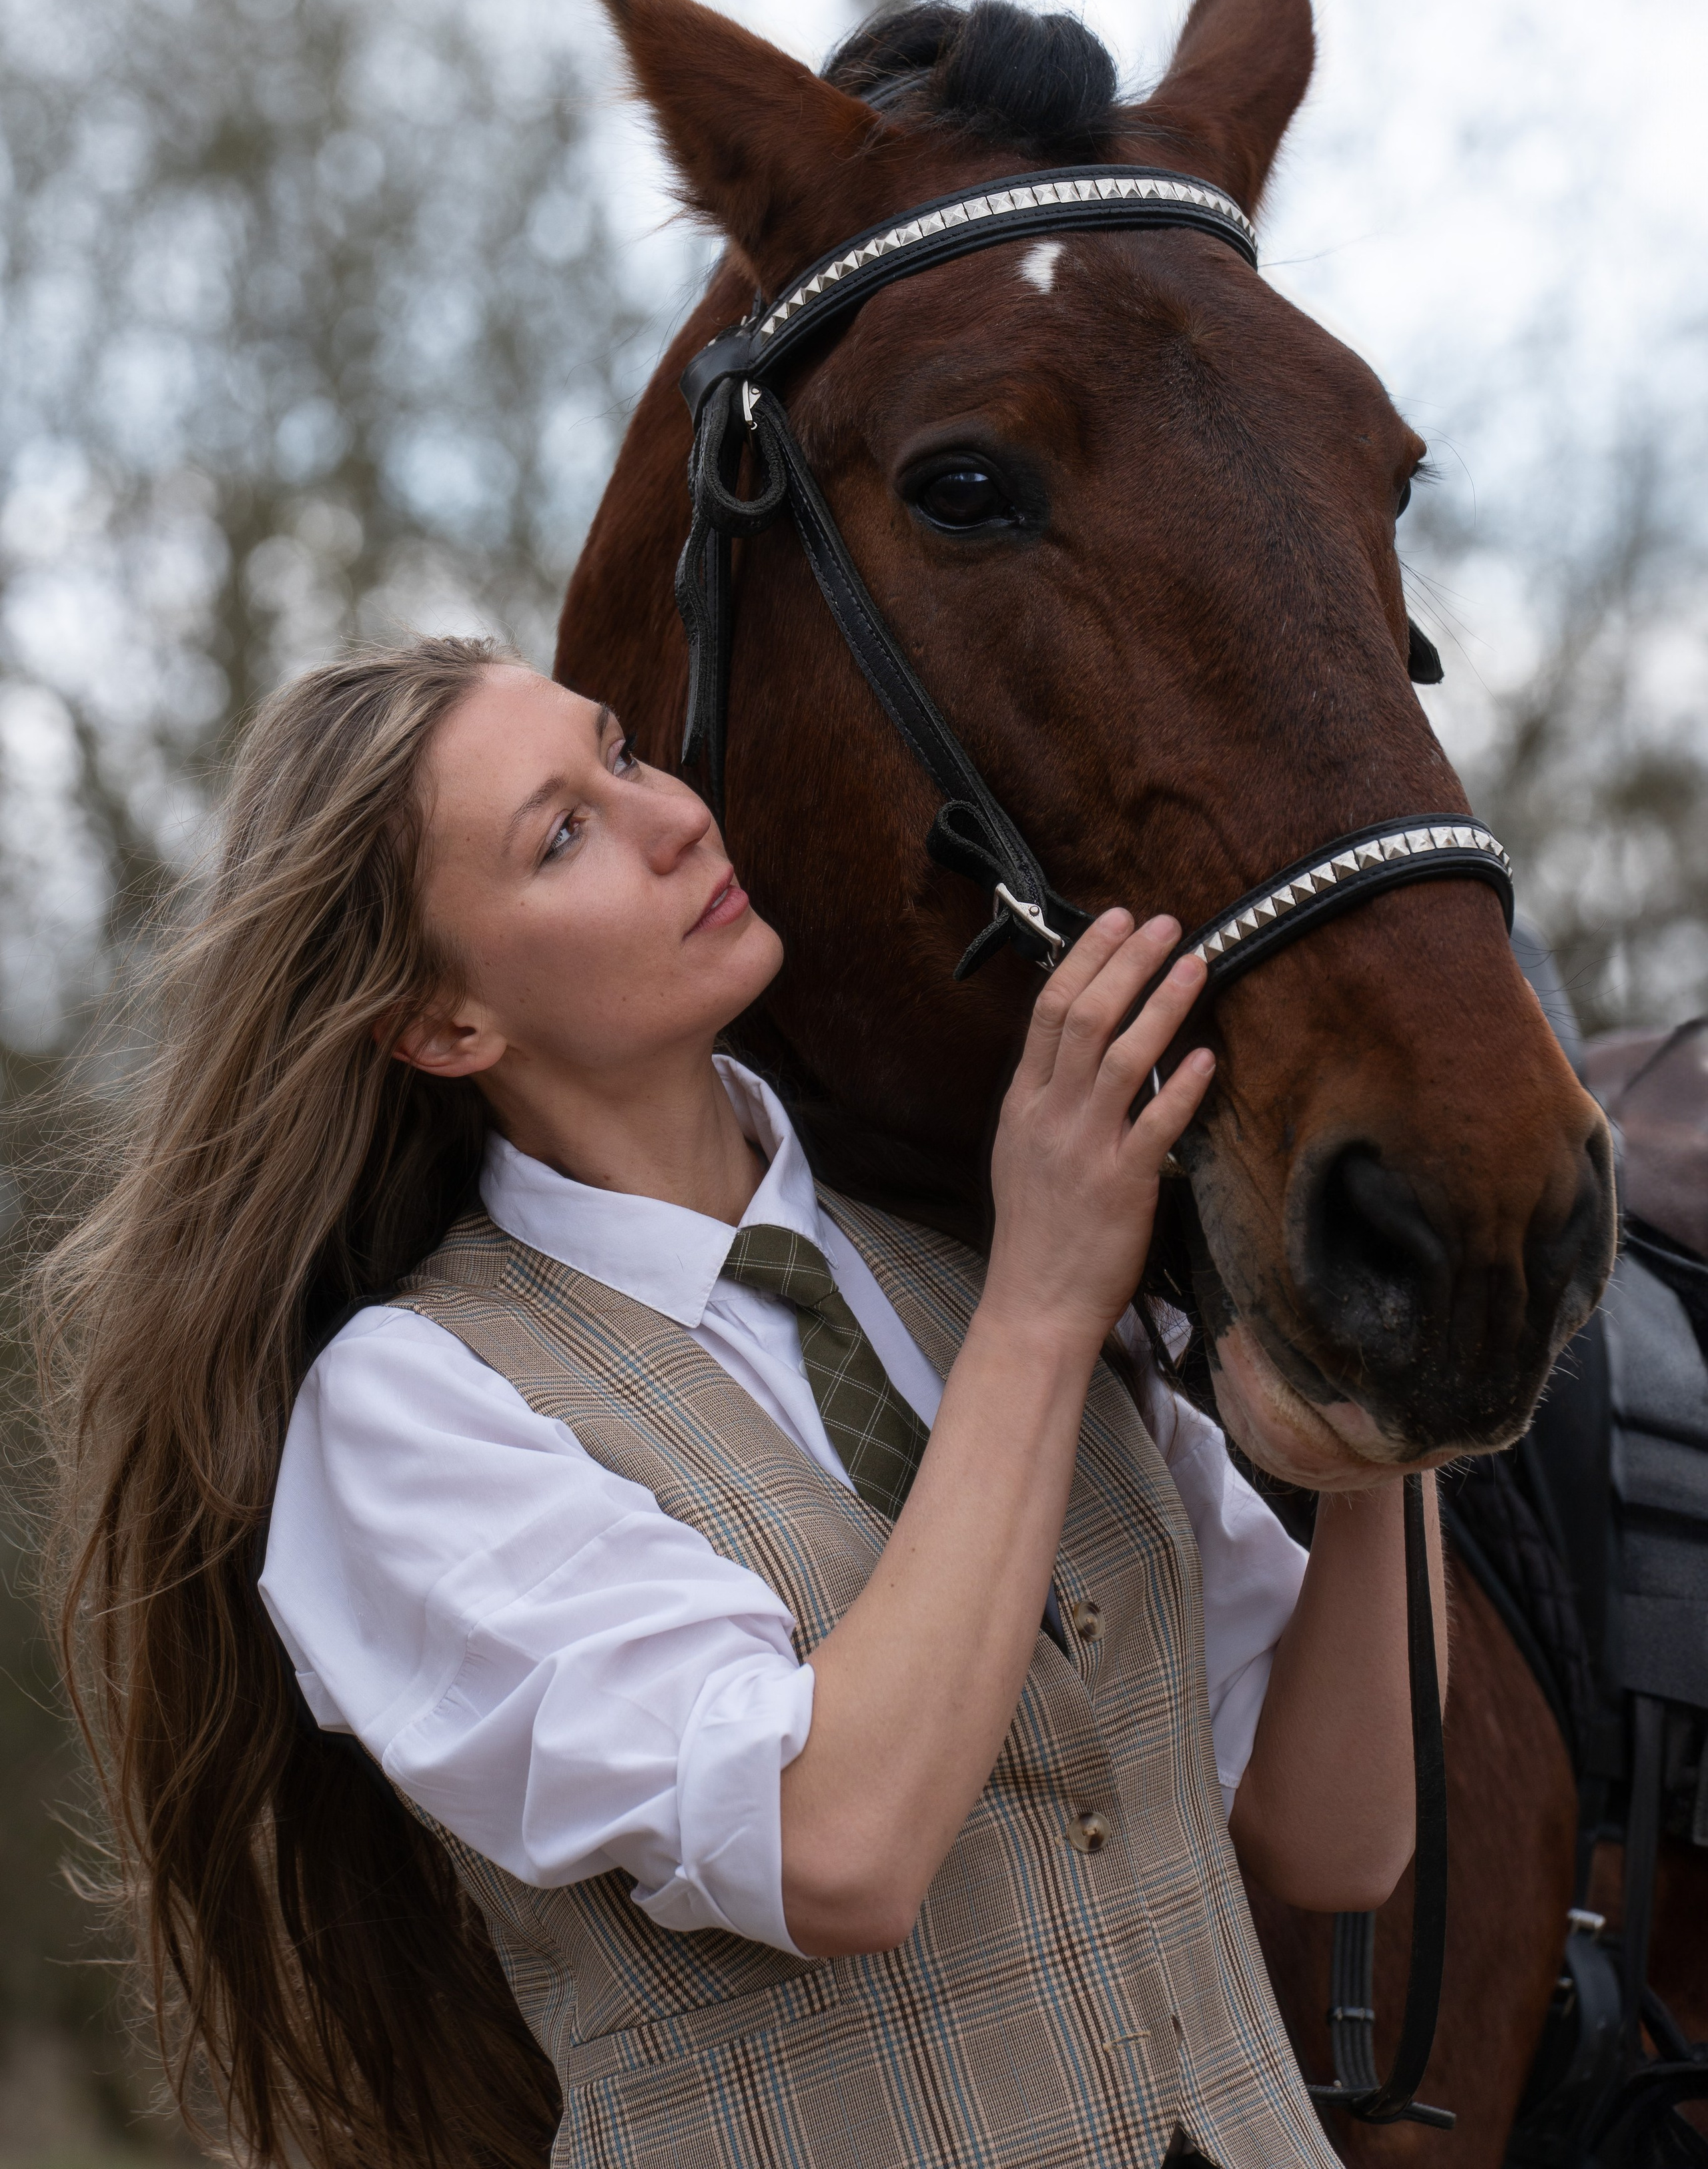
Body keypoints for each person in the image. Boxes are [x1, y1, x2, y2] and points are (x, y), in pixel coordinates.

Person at [40, 634, 1442, 2169]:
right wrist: (1044, 1303)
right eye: (562, 833)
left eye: (627, 753)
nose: (677, 819)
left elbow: (1339, 1834)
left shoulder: (971, 1242)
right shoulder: (405, 1410)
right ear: (446, 1027)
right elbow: (833, 1846)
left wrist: (1386, 1387)